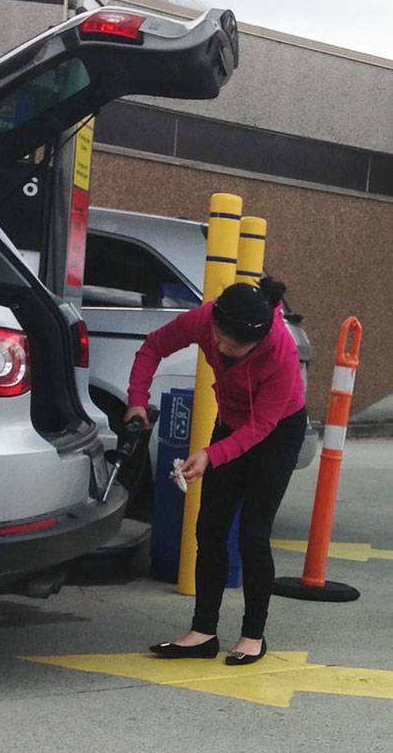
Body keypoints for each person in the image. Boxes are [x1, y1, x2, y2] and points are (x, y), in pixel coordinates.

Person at [124, 277, 306, 665]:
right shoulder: (206, 320)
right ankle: (203, 631)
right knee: (210, 527)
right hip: (231, 422)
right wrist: (137, 401)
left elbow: (262, 428)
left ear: (255, 342)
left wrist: (210, 455)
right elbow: (154, 346)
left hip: (277, 433)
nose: (221, 348)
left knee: (253, 533)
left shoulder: (281, 353)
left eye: (234, 346)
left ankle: (253, 636)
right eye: (218, 337)